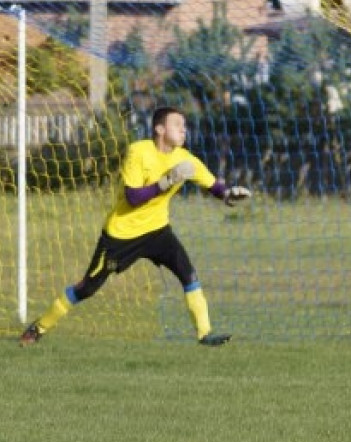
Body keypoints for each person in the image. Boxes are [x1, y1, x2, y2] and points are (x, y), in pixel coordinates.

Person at [19, 106, 251, 347]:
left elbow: (214, 186)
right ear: (159, 129)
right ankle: (39, 328)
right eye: (177, 124)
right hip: (121, 235)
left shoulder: (185, 159)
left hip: (158, 231)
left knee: (188, 273)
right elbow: (133, 197)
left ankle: (205, 335)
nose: (184, 129)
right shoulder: (139, 151)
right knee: (87, 288)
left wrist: (229, 195)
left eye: (185, 125)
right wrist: (167, 181)